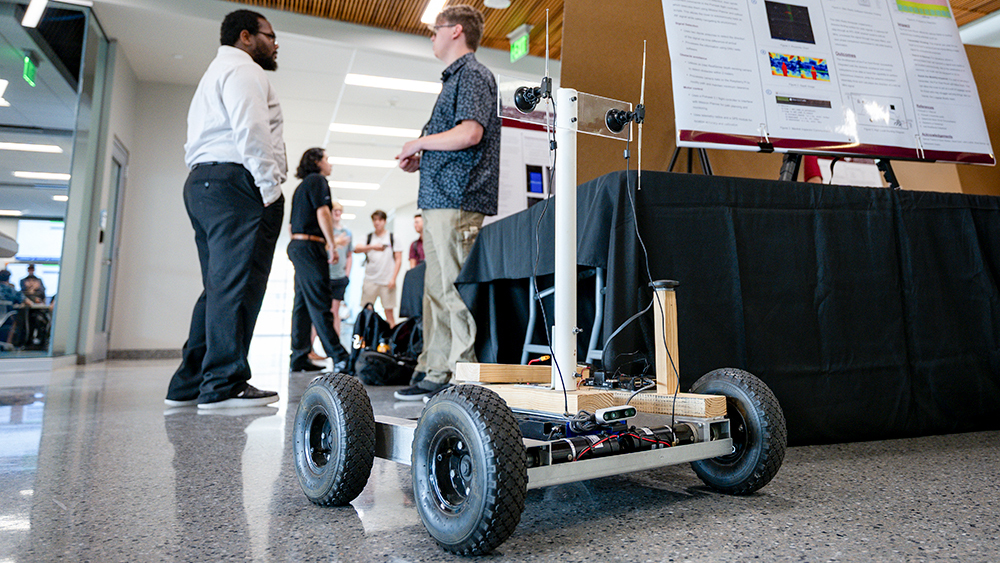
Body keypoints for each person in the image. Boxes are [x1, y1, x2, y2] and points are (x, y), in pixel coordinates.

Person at [164, 9, 286, 409]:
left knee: (219, 287)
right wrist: (269, 188)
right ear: (246, 36)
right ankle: (223, 385)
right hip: (237, 184)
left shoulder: (213, 74)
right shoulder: (245, 70)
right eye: (270, 35)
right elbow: (251, 128)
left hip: (203, 182)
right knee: (238, 286)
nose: (276, 44)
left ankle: (188, 383)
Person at [393, 5, 500, 400]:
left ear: (456, 31)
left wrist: (419, 143)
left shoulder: (472, 74)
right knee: (436, 290)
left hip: (457, 197)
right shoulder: (456, 78)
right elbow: (458, 139)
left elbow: (470, 133)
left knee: (452, 289)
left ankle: (462, 373)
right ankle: (437, 368)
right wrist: (424, 157)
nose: (432, 36)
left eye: (435, 29)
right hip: (441, 198)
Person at [287, 148, 351, 373]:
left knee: (302, 304)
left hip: (298, 246)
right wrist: (331, 244)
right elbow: (323, 212)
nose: (329, 164)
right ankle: (340, 356)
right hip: (311, 248)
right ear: (316, 162)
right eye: (327, 159)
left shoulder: (301, 187)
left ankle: (299, 356)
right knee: (320, 301)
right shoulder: (318, 180)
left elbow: (291, 226)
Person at [354, 210, 402, 327]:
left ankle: (391, 337)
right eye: (375, 220)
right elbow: (356, 249)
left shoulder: (392, 238)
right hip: (370, 280)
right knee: (367, 310)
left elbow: (398, 259)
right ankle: (365, 335)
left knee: (389, 312)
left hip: (387, 280)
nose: (377, 223)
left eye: (380, 220)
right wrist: (372, 247)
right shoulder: (368, 237)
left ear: (384, 221)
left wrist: (393, 278)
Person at [328, 201, 352, 336]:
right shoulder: (326, 230)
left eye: (339, 211)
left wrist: (347, 274)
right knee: (320, 311)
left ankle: (335, 343)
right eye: (334, 211)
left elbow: (349, 255)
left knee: (335, 311)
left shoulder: (346, 232)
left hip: (339, 277)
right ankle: (312, 344)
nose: (337, 213)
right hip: (325, 276)